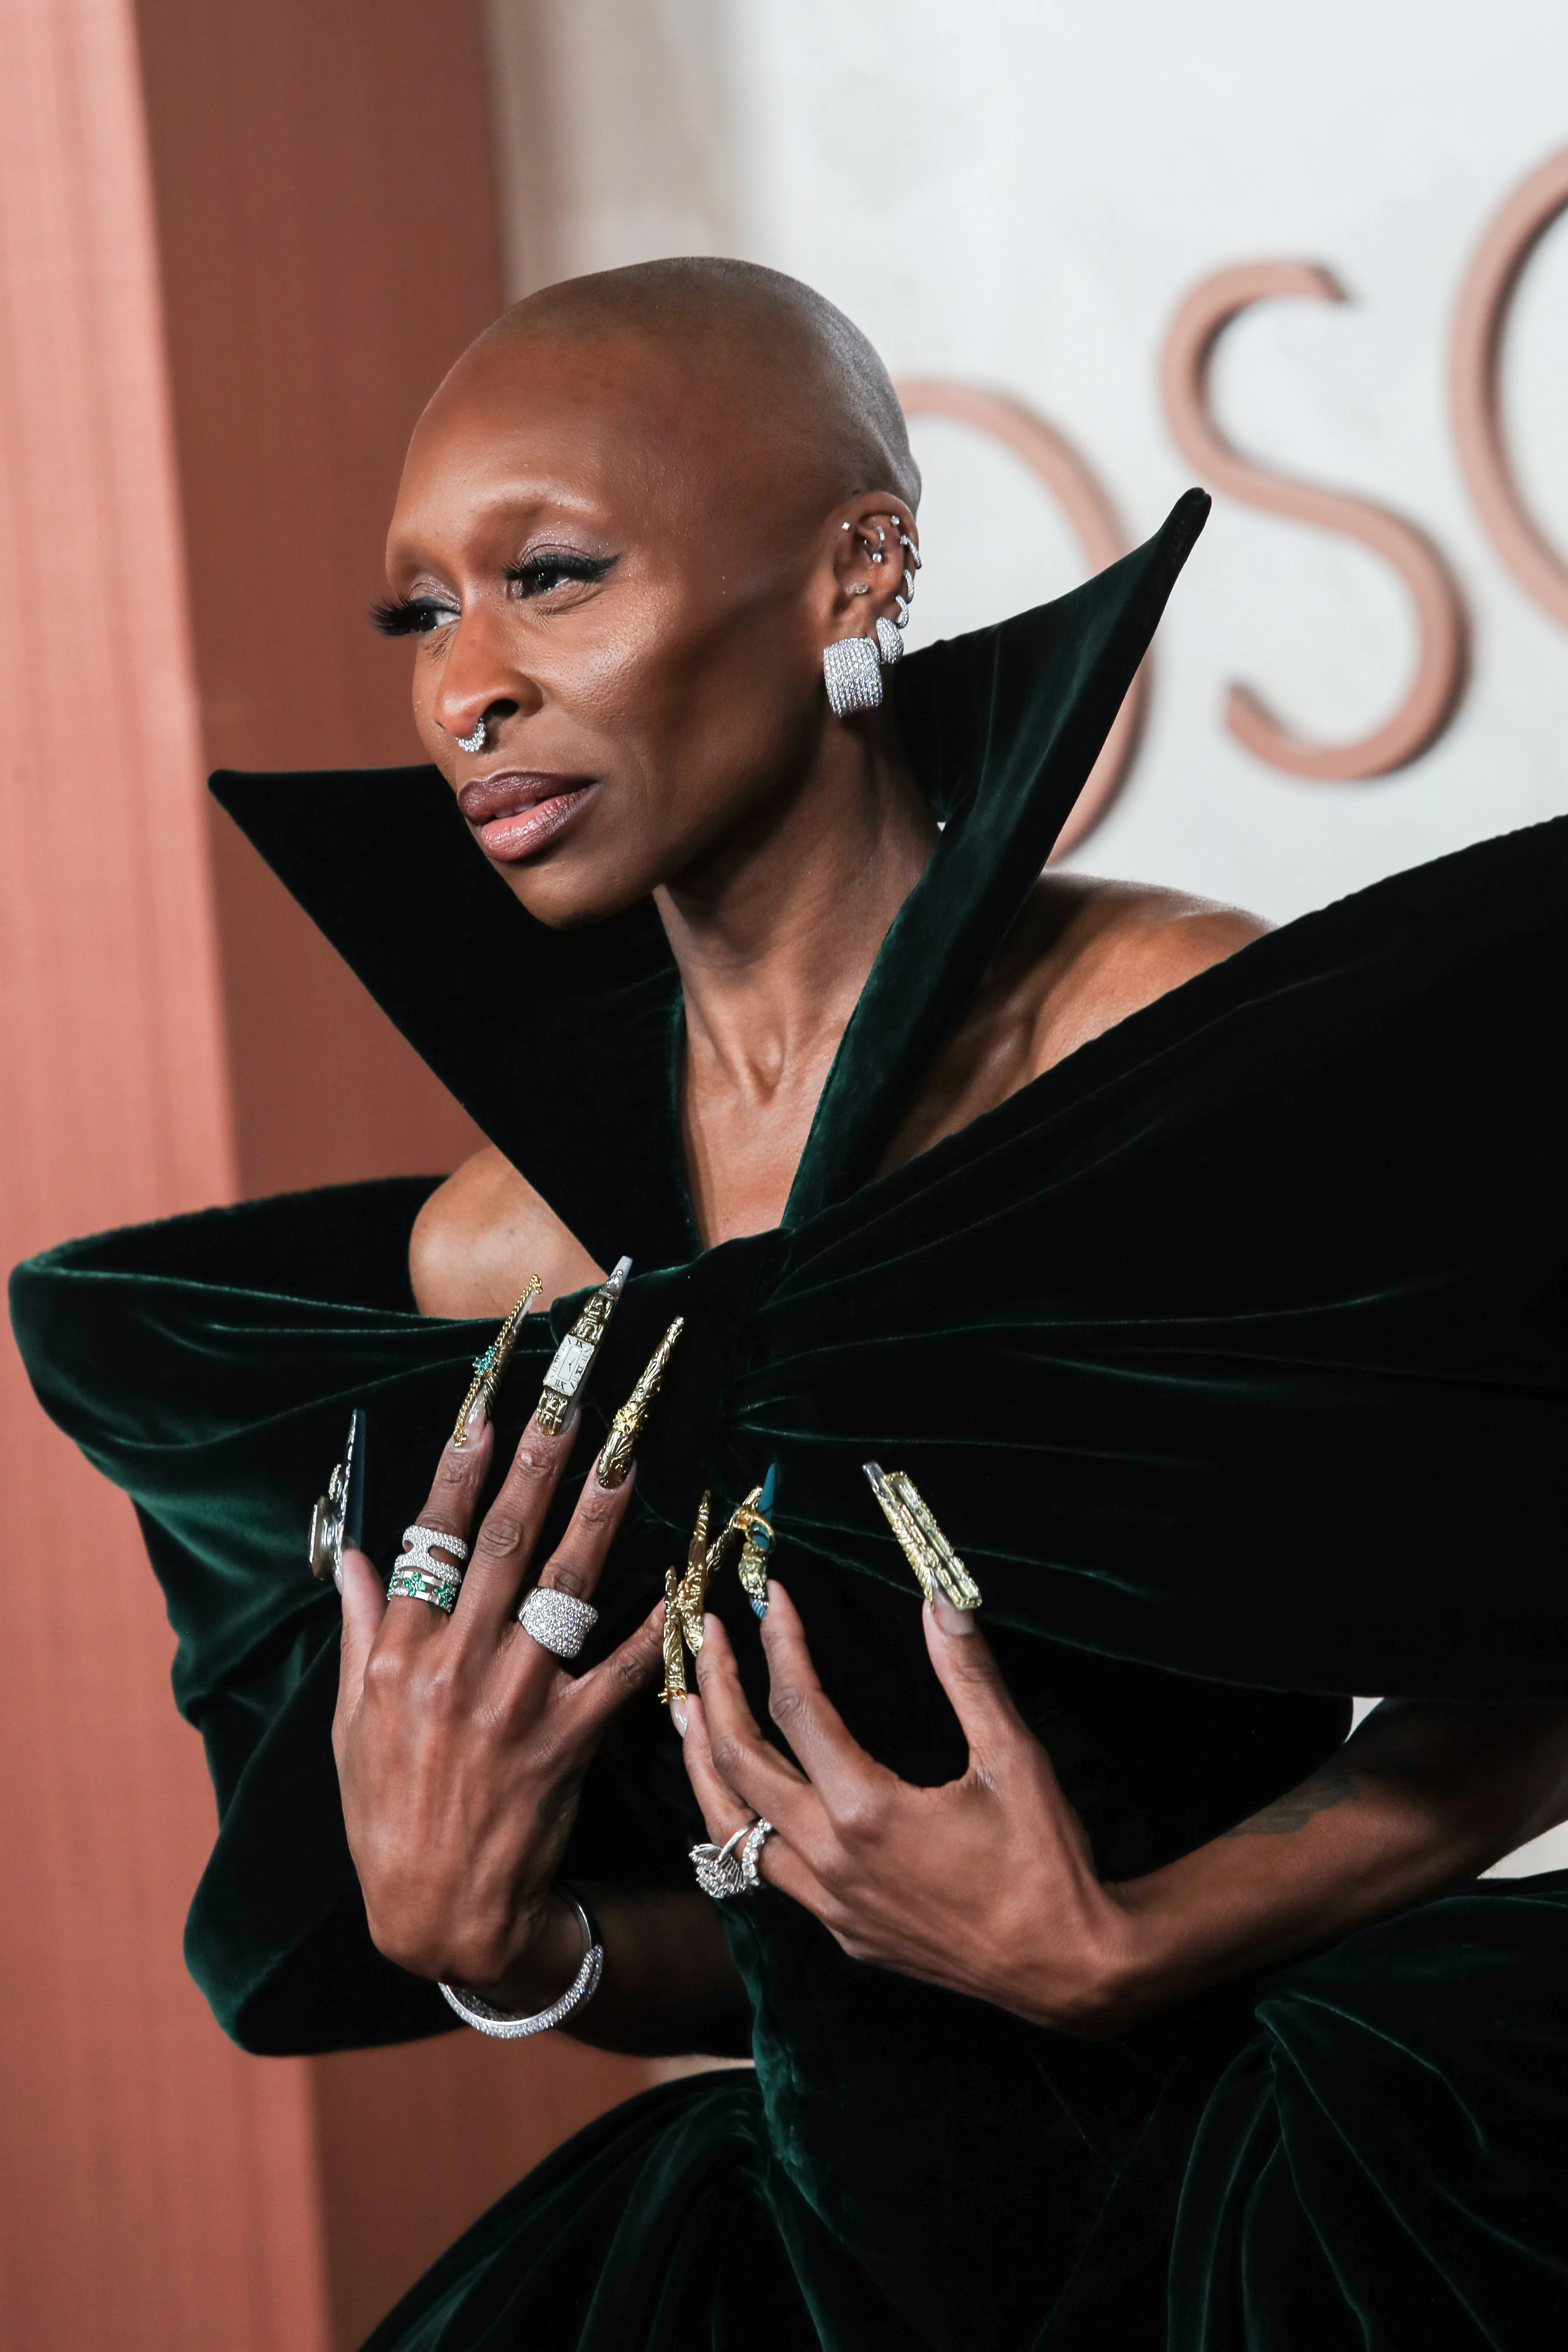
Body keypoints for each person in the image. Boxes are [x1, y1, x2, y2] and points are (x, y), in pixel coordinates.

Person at [13, 259, 1568, 2350]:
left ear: (860, 568)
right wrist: (511, 1945)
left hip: (1291, 2222)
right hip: (808, 2274)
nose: (464, 689)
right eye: (421, 614)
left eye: (550, 578)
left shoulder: (1165, 1043)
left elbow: (1535, 1665)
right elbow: (786, 1936)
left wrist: (1142, 1937)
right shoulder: (505, 1261)